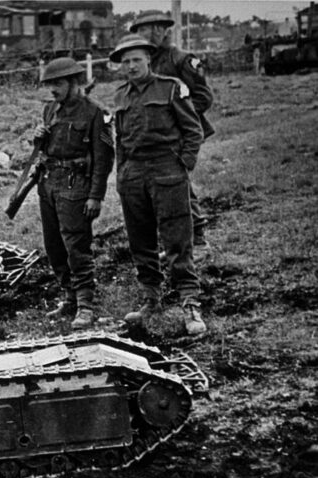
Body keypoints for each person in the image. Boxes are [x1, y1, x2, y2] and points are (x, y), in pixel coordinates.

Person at [109, 35, 206, 335]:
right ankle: (151, 297)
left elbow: (193, 130)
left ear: (148, 60)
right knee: (141, 241)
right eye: (125, 62)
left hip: (167, 169)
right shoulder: (120, 96)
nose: (131, 65)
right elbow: (120, 139)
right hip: (133, 174)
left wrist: (183, 165)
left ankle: (190, 302)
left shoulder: (170, 87)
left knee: (177, 238)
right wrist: (122, 173)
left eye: (136, 59)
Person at [33, 57, 114, 328]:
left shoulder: (95, 112)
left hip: (76, 187)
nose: (53, 90)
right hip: (49, 184)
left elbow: (103, 158)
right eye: (50, 84)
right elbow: (46, 148)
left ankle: (85, 304)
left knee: (76, 246)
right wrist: (39, 138)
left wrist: (96, 196)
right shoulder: (50, 110)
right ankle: (68, 296)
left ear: (74, 82)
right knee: (54, 245)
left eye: (58, 84)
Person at [131, 10, 214, 247]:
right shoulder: (148, 60)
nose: (140, 35)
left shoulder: (181, 59)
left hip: (179, 135)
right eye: (138, 31)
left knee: (177, 184)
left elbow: (203, 98)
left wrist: (176, 118)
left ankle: (197, 237)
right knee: (167, 186)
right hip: (157, 137)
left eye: (143, 30)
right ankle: (183, 239)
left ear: (159, 29)